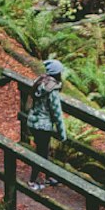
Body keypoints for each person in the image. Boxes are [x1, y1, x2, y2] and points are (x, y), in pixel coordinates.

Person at [22, 58, 68, 189]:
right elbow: (57, 113)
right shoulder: (52, 89)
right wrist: (62, 134)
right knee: (41, 152)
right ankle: (32, 181)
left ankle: (48, 177)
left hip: (33, 122)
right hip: (43, 125)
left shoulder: (40, 82)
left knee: (43, 150)